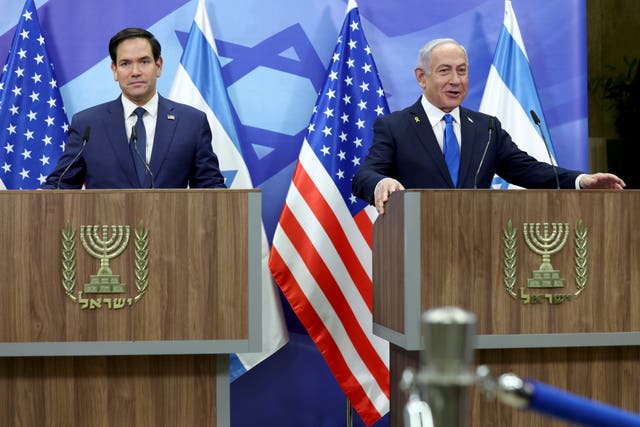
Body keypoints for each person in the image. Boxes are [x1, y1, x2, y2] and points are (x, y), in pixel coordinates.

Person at [352, 38, 625, 214]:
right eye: (445, 70)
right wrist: (381, 182)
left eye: (462, 70)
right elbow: (365, 175)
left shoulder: (486, 128)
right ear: (421, 77)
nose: (456, 80)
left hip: (479, 247)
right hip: (415, 248)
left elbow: (528, 170)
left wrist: (581, 181)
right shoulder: (395, 126)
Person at [41, 28, 226, 189]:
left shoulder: (191, 122)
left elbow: (210, 187)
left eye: (144, 61)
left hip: (172, 226)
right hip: (109, 229)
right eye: (125, 63)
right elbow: (61, 185)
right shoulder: (88, 125)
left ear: (158, 65)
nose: (135, 72)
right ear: (114, 70)